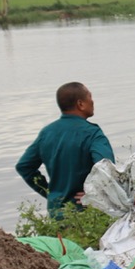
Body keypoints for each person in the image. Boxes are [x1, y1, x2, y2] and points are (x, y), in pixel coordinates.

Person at [16, 82, 115, 216]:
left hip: (56, 213)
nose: (93, 102)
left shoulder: (47, 132)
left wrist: (50, 193)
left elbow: (24, 166)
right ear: (80, 104)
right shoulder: (92, 133)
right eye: (90, 98)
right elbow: (107, 167)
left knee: (61, 238)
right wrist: (94, 194)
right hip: (87, 212)